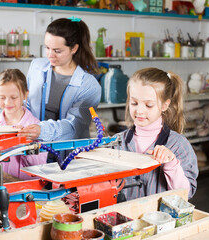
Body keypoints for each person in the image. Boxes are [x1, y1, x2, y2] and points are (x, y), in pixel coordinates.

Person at [117, 67, 198, 200]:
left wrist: (171, 164)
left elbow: (186, 194)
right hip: (123, 219)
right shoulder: (117, 143)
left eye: (148, 105)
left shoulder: (178, 145)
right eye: (134, 103)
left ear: (165, 105)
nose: (140, 111)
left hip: (160, 219)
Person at [18, 17, 101, 143]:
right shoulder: (36, 67)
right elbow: (26, 105)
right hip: (34, 150)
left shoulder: (89, 86)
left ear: (74, 49)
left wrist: (42, 130)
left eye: (57, 51)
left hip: (68, 153)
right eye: (47, 48)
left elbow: (74, 127)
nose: (50, 54)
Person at [0, 69, 47, 180]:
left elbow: (40, 168)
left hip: (26, 189)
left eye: (14, 98)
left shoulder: (36, 127)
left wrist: (23, 144)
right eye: (2, 97)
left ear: (25, 95)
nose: (8, 103)